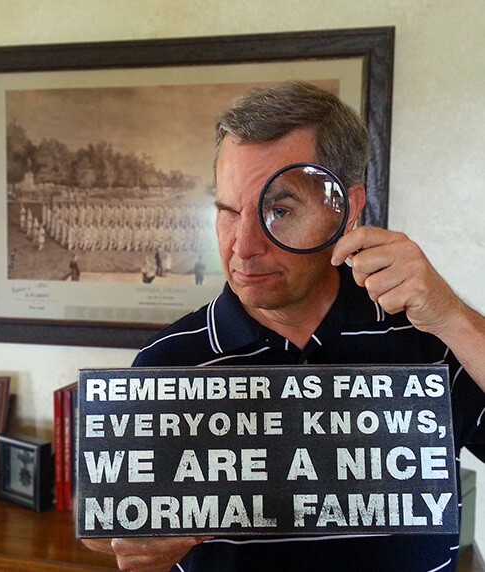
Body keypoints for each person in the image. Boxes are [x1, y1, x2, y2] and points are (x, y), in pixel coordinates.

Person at [82, 81, 485, 571]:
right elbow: (113, 525)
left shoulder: (430, 340)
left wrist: (455, 318)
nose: (243, 246)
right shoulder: (168, 362)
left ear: (347, 207)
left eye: (280, 210)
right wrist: (124, 539)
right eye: (228, 211)